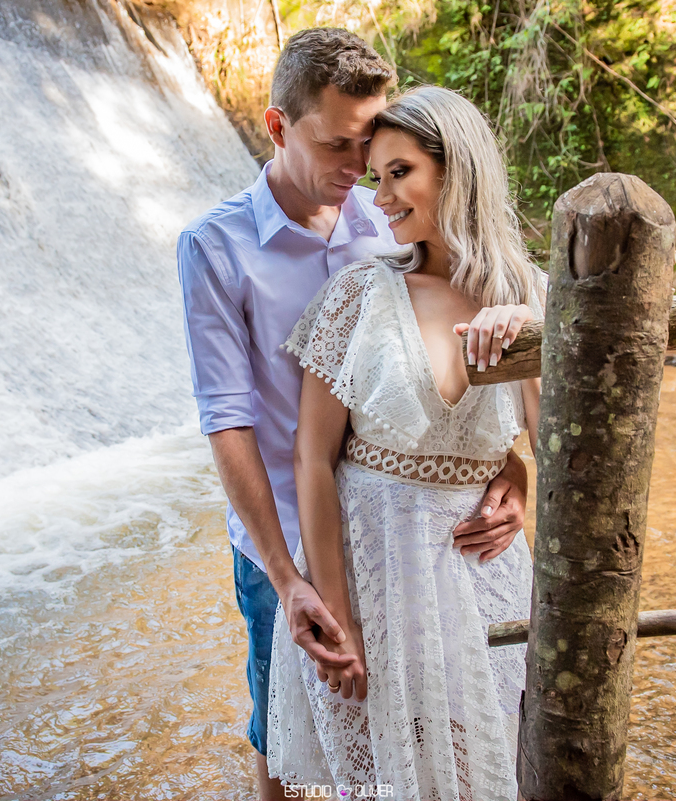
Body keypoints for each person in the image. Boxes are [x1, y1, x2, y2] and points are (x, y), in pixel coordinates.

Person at [177, 30, 534, 800]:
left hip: (423, 544)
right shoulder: (217, 247)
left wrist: (511, 470)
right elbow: (227, 421)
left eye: (371, 147)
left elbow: (436, 396)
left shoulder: (391, 217)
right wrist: (289, 578)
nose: (360, 169)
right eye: (338, 145)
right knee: (285, 733)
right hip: (283, 530)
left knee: (446, 727)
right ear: (278, 127)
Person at [265, 86, 545, 800]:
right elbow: (313, 460)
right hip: (372, 573)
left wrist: (532, 332)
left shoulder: (534, 295)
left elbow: (558, 452)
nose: (380, 197)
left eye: (400, 173)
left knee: (482, 771)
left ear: (458, 171)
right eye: (375, 175)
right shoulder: (358, 294)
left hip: (482, 578)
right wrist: (338, 616)